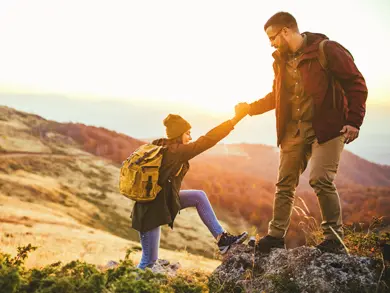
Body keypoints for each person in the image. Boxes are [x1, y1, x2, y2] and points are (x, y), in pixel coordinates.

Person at [237, 12, 368, 253]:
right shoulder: (280, 60)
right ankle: (276, 237)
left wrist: (354, 121)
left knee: (320, 178)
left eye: (273, 37)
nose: (271, 43)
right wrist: (250, 109)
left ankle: (333, 239)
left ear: (286, 31)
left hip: (327, 129)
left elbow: (356, 83)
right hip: (293, 131)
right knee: (284, 184)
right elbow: (277, 96)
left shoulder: (327, 50)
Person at [132, 108, 249, 269]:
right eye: (188, 133)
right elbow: (208, 139)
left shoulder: (161, 145)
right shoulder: (177, 152)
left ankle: (222, 239)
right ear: (178, 134)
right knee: (148, 261)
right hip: (149, 212)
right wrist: (233, 121)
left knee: (198, 196)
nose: (190, 137)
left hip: (162, 202)